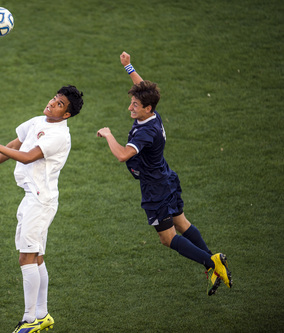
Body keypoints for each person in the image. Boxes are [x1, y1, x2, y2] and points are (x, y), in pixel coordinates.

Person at [96, 51, 232, 295]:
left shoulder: (145, 133)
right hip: (166, 176)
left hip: (155, 187)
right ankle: (213, 264)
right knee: (181, 222)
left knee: (167, 238)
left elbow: (122, 155)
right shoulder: (153, 113)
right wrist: (129, 67)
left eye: (135, 106)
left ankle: (212, 263)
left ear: (147, 108)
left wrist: (108, 134)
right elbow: (142, 88)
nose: (130, 108)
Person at [0, 85, 84, 332]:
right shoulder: (37, 121)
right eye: (54, 99)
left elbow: (27, 156)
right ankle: (42, 315)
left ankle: (29, 320)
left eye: (59, 104)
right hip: (32, 198)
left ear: (66, 114)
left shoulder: (59, 136)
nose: (52, 103)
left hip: (41, 201)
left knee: (26, 257)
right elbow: (18, 143)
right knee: (37, 257)